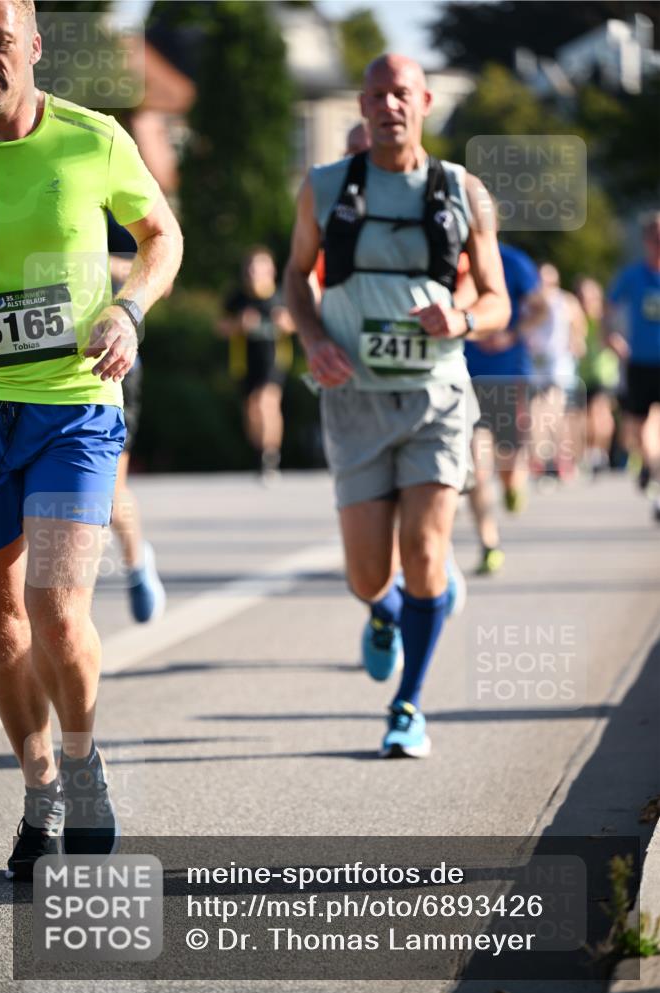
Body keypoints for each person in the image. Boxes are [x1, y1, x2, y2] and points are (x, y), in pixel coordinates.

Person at [0, 0, 183, 879]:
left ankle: (82, 762)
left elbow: (160, 236)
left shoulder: (90, 137)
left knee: (57, 611)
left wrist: (129, 308)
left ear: (31, 44)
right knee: (1, 628)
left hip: (74, 404)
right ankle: (38, 798)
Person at [284, 54, 510, 758]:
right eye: (377, 94)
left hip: (434, 397)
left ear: (425, 101)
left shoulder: (462, 192)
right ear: (362, 103)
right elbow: (295, 277)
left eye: (402, 94)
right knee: (366, 576)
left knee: (425, 552)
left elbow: (498, 300)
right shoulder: (323, 188)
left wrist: (462, 322)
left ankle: (407, 705)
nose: (390, 105)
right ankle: (384, 613)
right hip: (352, 399)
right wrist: (314, 337)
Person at [459, 242, 545, 574]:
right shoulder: (451, 258)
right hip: (464, 376)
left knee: (507, 460)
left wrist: (511, 335)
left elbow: (540, 309)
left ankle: (512, 486)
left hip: (507, 375)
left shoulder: (514, 261)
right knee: (476, 466)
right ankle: (488, 543)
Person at [108, 214, 166, 621]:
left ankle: (135, 562)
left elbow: (165, 269)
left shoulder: (119, 191)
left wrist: (96, 262)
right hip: (23, 368)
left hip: (112, 360)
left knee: (109, 498)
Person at [220, 247, 294, 481]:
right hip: (244, 362)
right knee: (252, 410)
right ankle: (260, 453)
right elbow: (220, 327)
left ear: (271, 270)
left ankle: (271, 455)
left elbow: (298, 324)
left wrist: (287, 323)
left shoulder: (281, 296)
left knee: (267, 403)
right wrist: (238, 325)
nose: (255, 272)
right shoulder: (237, 297)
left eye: (260, 267)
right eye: (251, 267)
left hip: (274, 360)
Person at [605, 212, 660, 519]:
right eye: (654, 237)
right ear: (646, 241)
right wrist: (610, 337)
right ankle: (649, 466)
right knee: (637, 430)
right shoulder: (633, 275)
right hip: (640, 362)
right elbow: (608, 308)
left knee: (656, 426)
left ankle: (655, 478)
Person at [526, 263, 587, 480]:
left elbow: (580, 324)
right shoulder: (530, 301)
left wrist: (576, 340)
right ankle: (541, 458)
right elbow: (522, 327)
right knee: (535, 412)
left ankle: (559, 458)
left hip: (559, 363)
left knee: (553, 409)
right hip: (535, 363)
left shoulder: (565, 301)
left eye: (549, 280)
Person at [574, 276, 619, 475]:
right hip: (583, 374)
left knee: (599, 411)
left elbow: (612, 338)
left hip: (604, 372)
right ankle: (592, 452)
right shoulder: (577, 318)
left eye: (590, 296)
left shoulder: (603, 318)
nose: (586, 300)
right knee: (585, 416)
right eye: (582, 296)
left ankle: (599, 452)